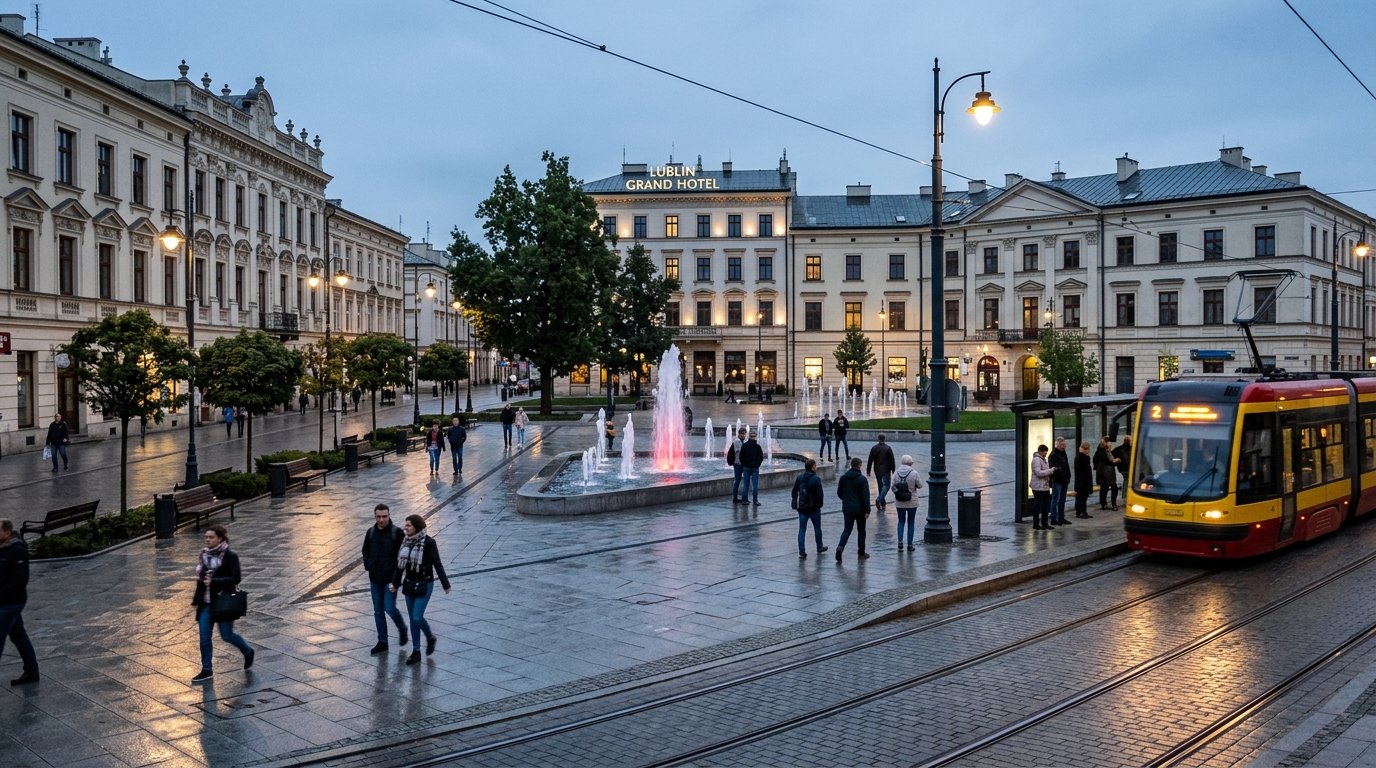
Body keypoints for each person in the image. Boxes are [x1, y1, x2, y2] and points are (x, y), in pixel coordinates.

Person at [191, 524, 254, 683]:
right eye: (206, 537)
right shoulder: (203, 555)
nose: (207, 540)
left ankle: (247, 651)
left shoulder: (230, 556)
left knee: (227, 635)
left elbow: (236, 578)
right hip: (206, 602)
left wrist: (214, 581)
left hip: (222, 602)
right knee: (204, 637)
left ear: (220, 538)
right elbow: (201, 579)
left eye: (211, 537)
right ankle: (207, 670)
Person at [390, 514, 451, 665]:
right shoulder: (405, 542)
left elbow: (437, 563)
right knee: (412, 619)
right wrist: (395, 584)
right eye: (405, 525)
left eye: (408, 525)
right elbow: (400, 566)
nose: (405, 528)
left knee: (417, 617)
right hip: (410, 583)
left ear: (417, 527)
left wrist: (445, 584)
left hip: (425, 583)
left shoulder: (429, 542)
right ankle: (416, 651)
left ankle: (430, 637)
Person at [362, 504, 407, 654]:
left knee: (389, 608)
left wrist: (396, 579)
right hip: (375, 578)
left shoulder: (397, 533)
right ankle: (382, 641)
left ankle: (402, 628)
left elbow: (402, 558)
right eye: (379, 517)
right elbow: (365, 550)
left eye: (384, 516)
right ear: (375, 517)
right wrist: (368, 565)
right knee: (378, 611)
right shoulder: (371, 532)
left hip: (390, 579)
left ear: (389, 515)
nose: (382, 520)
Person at [0, 518, 39, 686]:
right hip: (5, 601)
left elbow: (20, 580)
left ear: (7, 533)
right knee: (18, 636)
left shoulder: (17, 550)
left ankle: (32, 671)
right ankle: (32, 671)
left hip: (11, 602)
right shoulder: (3, 548)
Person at [835, 457, 871, 560]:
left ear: (851, 465)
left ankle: (840, 548)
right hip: (860, 509)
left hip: (847, 508)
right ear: (859, 466)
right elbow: (865, 496)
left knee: (847, 530)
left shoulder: (843, 478)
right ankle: (861, 553)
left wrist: (846, 500)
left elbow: (839, 492)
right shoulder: (862, 479)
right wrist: (867, 510)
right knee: (861, 531)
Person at [791, 459, 827, 558]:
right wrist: (819, 505)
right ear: (812, 467)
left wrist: (795, 503)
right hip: (814, 508)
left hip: (802, 507)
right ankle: (819, 546)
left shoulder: (799, 478)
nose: (816, 468)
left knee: (802, 529)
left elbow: (794, 492)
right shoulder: (816, 479)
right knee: (817, 528)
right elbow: (820, 495)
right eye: (815, 466)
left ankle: (801, 551)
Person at [893, 454, 925, 551]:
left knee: (901, 521)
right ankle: (910, 545)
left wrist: (898, 493)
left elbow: (892, 486)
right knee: (911, 522)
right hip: (912, 501)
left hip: (899, 502)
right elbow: (920, 485)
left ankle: (900, 543)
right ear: (910, 463)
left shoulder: (896, 473)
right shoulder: (914, 473)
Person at [866, 434, 896, 511]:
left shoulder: (874, 448)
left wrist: (868, 470)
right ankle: (879, 499)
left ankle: (883, 504)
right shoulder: (888, 448)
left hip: (877, 470)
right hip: (886, 470)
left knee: (880, 486)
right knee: (886, 485)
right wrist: (893, 470)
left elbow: (870, 460)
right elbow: (892, 460)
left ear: (878, 439)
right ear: (884, 439)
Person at [1048, 437, 1072, 526]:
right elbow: (1054, 468)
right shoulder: (1053, 455)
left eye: (1064, 444)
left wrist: (1068, 476)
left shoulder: (1063, 453)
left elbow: (1066, 466)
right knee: (1055, 500)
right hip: (1057, 480)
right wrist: (1061, 472)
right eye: (1062, 444)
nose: (1064, 446)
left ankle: (1061, 518)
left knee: (1062, 500)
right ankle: (1054, 518)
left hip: (1064, 480)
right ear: (1057, 445)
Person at [1030, 444, 1053, 530]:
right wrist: (1050, 471)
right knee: (1038, 506)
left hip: (1045, 487)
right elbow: (1038, 473)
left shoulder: (1044, 460)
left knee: (1045, 506)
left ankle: (1045, 524)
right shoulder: (1036, 460)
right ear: (1040, 451)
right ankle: (1036, 524)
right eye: (1045, 452)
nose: (1046, 453)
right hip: (1038, 487)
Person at [739, 431, 765, 506]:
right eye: (752, 436)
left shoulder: (745, 445)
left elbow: (741, 457)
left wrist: (744, 464)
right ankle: (755, 501)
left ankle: (744, 500)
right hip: (754, 468)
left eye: (753, 436)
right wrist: (757, 465)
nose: (753, 438)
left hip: (747, 467)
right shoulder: (757, 446)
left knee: (746, 485)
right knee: (754, 485)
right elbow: (760, 457)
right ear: (751, 437)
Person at [1094, 436, 1119, 510]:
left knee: (1107, 488)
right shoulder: (1103, 453)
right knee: (1106, 488)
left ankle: (1105, 504)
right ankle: (1108, 504)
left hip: (1108, 473)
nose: (1111, 446)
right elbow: (1109, 462)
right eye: (1110, 445)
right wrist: (1116, 461)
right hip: (1105, 473)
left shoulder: (1106, 452)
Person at [1074, 441, 1094, 519]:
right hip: (1084, 481)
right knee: (1082, 498)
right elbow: (1085, 470)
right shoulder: (1083, 457)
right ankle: (1082, 512)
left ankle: (1081, 512)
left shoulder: (1079, 457)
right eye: (1087, 449)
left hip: (1081, 481)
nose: (1088, 451)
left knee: (1081, 497)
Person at [728, 427, 748, 503]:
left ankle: (744, 497)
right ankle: (735, 498)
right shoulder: (736, 442)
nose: (743, 435)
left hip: (744, 464)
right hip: (738, 464)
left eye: (744, 434)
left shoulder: (745, 442)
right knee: (737, 480)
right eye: (741, 434)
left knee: (745, 481)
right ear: (739, 434)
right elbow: (739, 451)